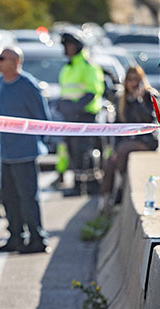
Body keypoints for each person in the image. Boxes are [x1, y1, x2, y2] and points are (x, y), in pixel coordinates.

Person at [0, 46, 51, 254]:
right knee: (9, 198)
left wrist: (38, 143)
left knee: (28, 197)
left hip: (25, 152)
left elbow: (42, 118)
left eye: (2, 58)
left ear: (16, 62)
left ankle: (38, 239)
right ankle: (16, 237)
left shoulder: (28, 86)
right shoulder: (1, 82)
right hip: (6, 151)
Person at [98, 66, 159, 212]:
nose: (133, 83)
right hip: (126, 141)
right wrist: (114, 151)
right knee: (109, 163)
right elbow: (117, 127)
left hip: (146, 141)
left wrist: (138, 100)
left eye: (136, 80)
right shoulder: (121, 99)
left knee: (123, 150)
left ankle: (120, 188)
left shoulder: (149, 96)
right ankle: (105, 202)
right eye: (130, 80)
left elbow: (149, 119)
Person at [57, 32, 104, 196]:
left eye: (71, 45)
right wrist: (62, 106)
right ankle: (79, 185)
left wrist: (75, 108)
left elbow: (93, 91)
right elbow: (66, 92)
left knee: (82, 152)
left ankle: (86, 187)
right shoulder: (68, 67)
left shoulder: (87, 65)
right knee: (72, 151)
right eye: (66, 46)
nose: (68, 49)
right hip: (70, 117)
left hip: (85, 116)